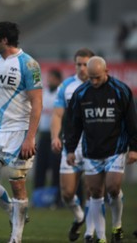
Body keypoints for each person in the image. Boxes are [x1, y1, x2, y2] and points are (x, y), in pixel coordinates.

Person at [0, 21, 42, 243]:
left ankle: (16, 237)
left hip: (18, 132)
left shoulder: (29, 64)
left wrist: (30, 137)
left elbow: (37, 103)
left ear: (4, 39)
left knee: (17, 183)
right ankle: (14, 211)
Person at [65, 56, 137, 243]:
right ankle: (101, 237)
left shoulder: (121, 91)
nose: (94, 81)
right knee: (95, 192)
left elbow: (132, 123)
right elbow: (73, 124)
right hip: (92, 151)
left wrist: (134, 148)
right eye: (91, 78)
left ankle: (117, 226)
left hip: (116, 149)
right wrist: (71, 149)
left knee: (113, 188)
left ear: (106, 72)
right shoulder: (81, 94)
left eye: (97, 77)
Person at [51, 48, 96, 242]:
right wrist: (55, 136)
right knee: (67, 193)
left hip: (96, 145)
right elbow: (58, 114)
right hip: (72, 144)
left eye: (86, 64)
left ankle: (91, 232)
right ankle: (79, 217)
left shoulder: (101, 85)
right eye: (79, 64)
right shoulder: (66, 86)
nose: (82, 68)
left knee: (93, 190)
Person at [32, 68, 62, 208]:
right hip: (43, 135)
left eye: (51, 78)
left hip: (55, 136)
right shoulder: (43, 94)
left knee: (56, 168)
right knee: (40, 167)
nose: (48, 80)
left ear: (57, 79)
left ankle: (57, 199)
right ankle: (38, 199)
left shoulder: (60, 94)